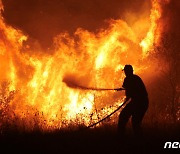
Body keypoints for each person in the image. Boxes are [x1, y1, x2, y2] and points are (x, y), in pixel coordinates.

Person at [116, 64, 149, 139]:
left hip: (139, 102)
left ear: (128, 71)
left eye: (126, 71)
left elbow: (130, 92)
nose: (125, 72)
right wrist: (124, 92)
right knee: (134, 121)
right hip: (142, 102)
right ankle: (138, 139)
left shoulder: (129, 79)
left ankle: (120, 137)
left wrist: (127, 96)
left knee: (127, 118)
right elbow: (128, 90)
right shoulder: (135, 78)